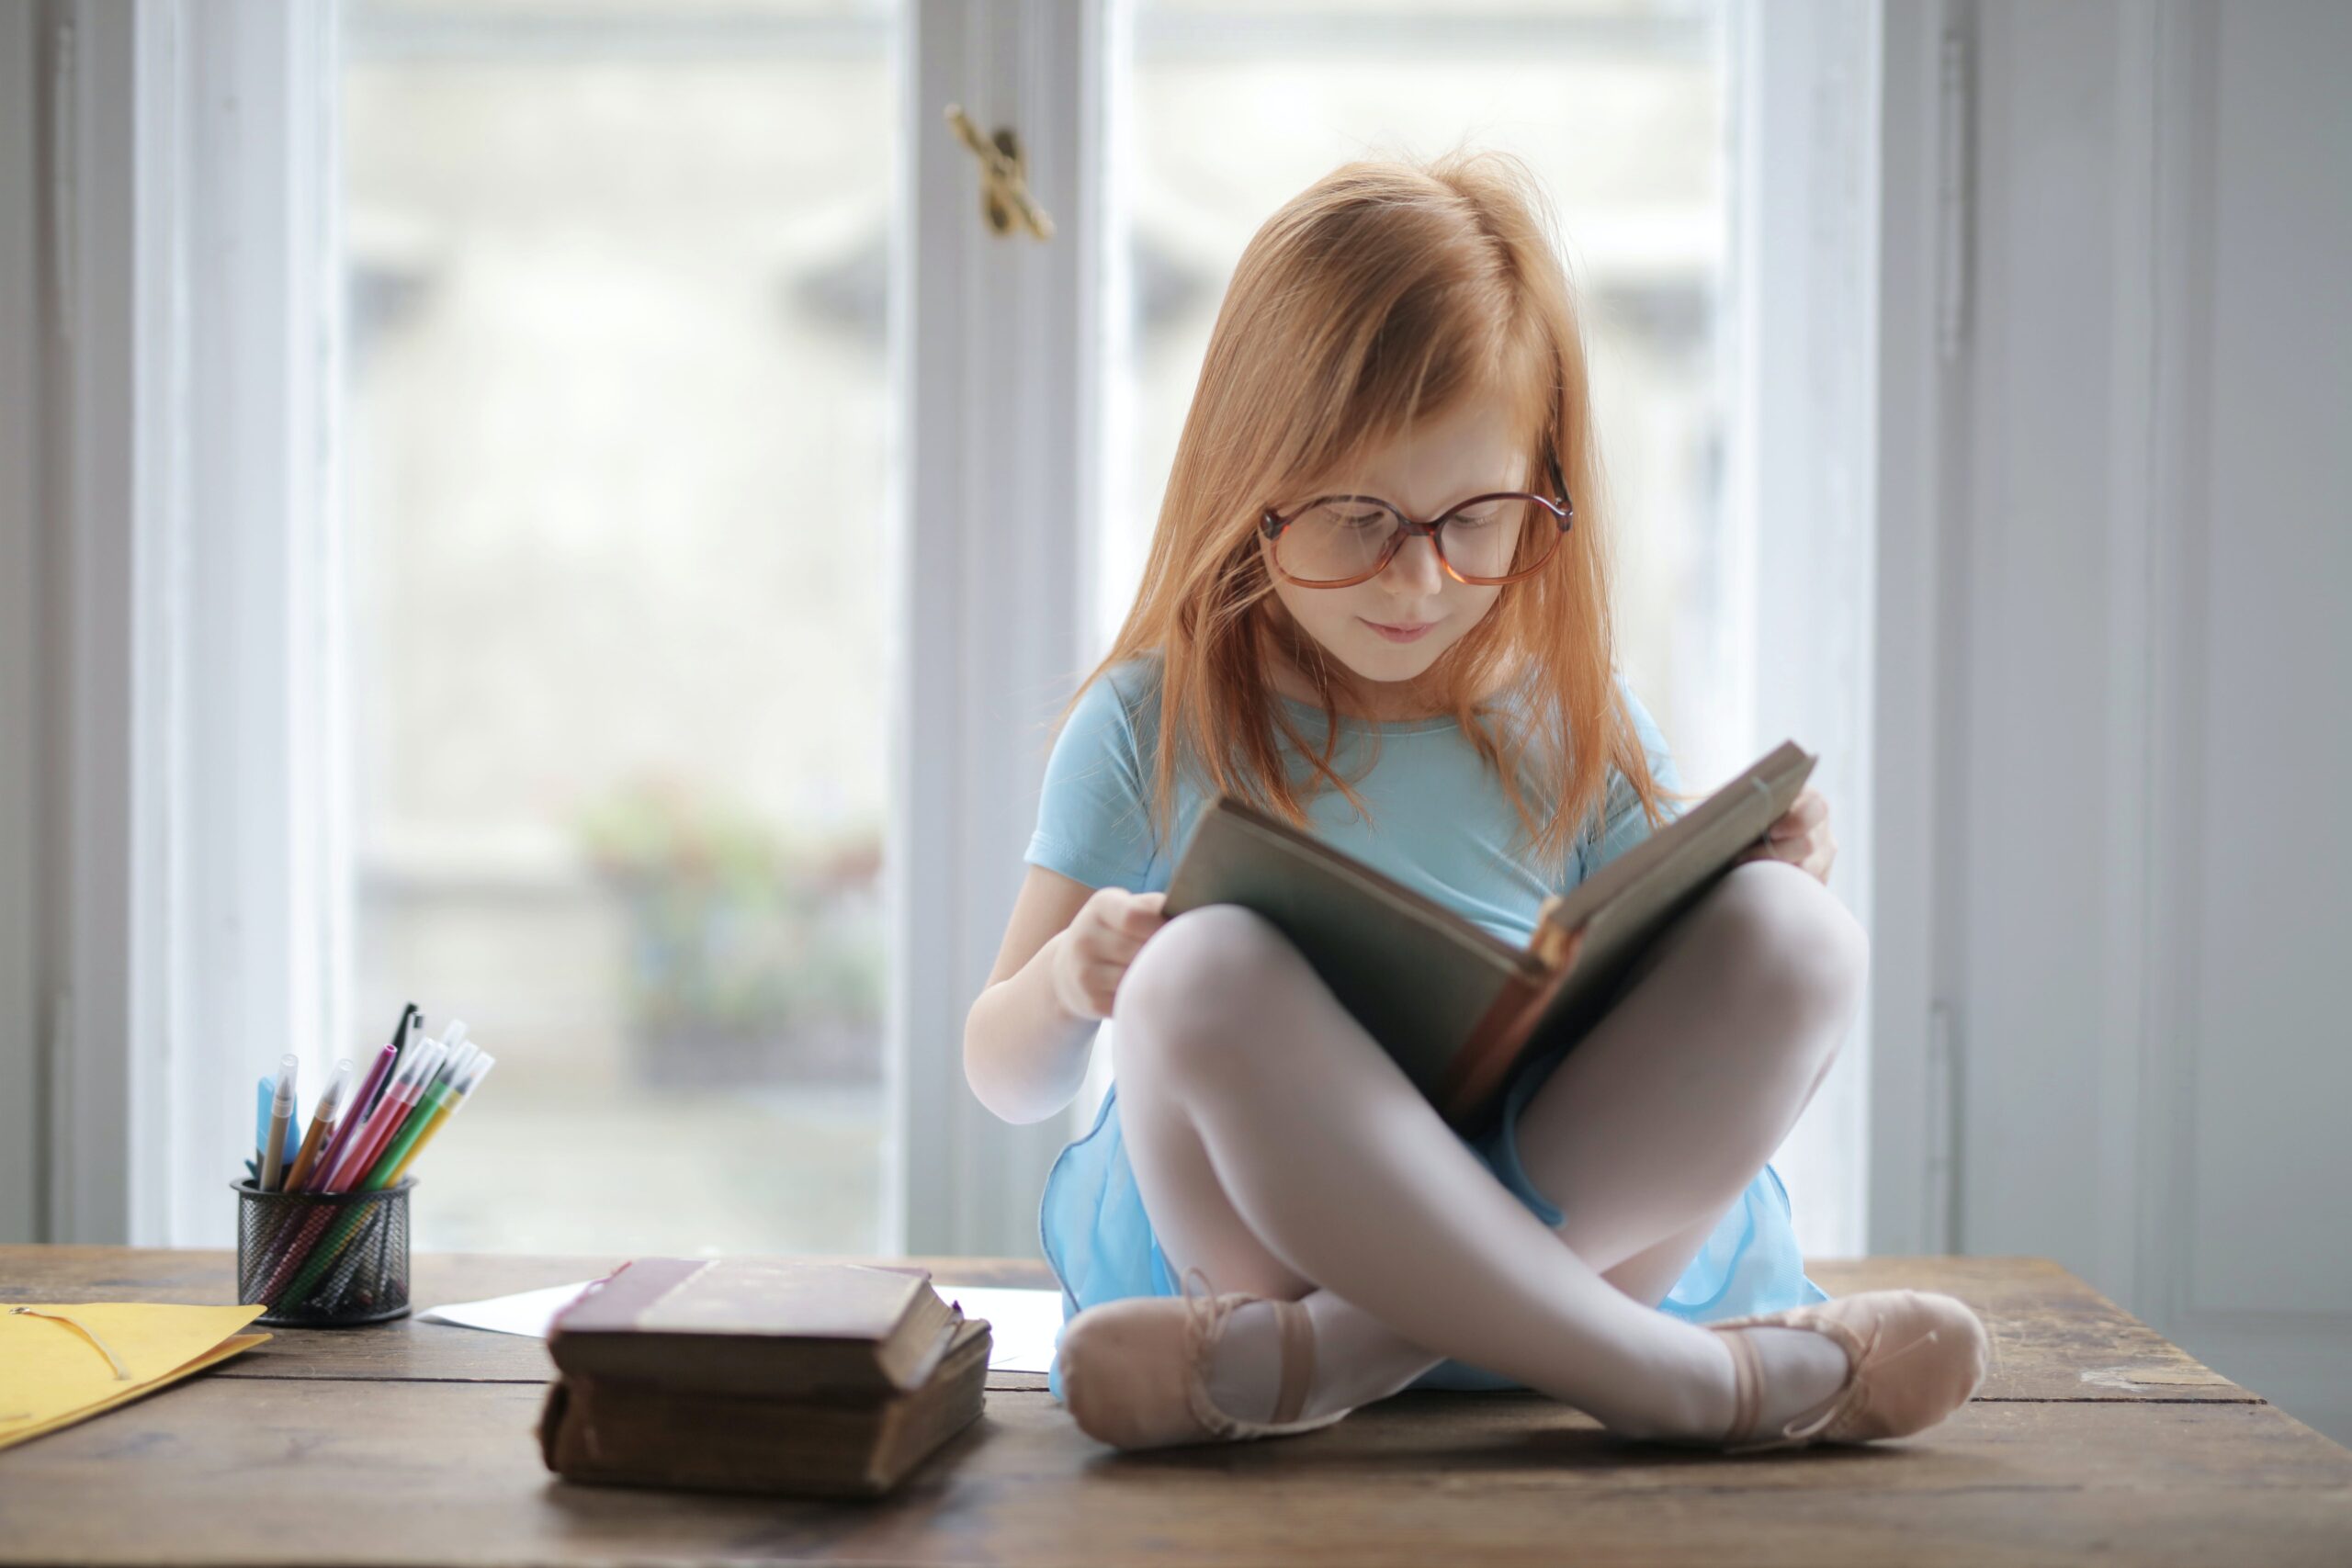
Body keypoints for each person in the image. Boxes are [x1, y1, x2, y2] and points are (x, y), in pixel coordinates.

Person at [963, 149, 1986, 1454]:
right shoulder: (1152, 721)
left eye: (1479, 519)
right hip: (1261, 1253)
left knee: (1799, 937)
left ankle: (1343, 1359)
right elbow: (1000, 1076)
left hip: (1536, 1249)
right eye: (1355, 519)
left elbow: (1682, 975)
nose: (1422, 582)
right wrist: (1069, 983)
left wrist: (1768, 868)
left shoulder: (1569, 710)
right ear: (1249, 484)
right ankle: (1683, 1385)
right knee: (1194, 973)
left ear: (1541, 492)